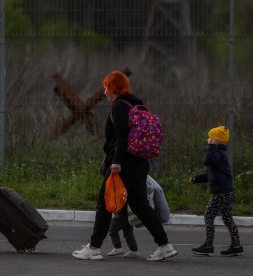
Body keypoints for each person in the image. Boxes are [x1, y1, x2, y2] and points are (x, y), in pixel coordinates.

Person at [72, 71, 177, 261]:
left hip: (124, 164)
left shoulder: (120, 106)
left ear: (113, 88)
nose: (104, 92)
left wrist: (116, 162)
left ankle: (94, 247)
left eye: (106, 87)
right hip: (139, 163)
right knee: (140, 205)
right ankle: (164, 245)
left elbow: (121, 138)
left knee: (104, 202)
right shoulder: (136, 104)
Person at [189, 126, 243, 257]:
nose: (208, 140)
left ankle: (208, 246)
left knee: (208, 216)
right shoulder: (219, 154)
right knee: (227, 218)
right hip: (226, 191)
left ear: (217, 140)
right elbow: (211, 174)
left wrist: (212, 147)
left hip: (221, 193)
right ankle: (236, 246)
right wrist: (196, 179)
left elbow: (207, 161)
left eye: (210, 138)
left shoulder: (218, 154)